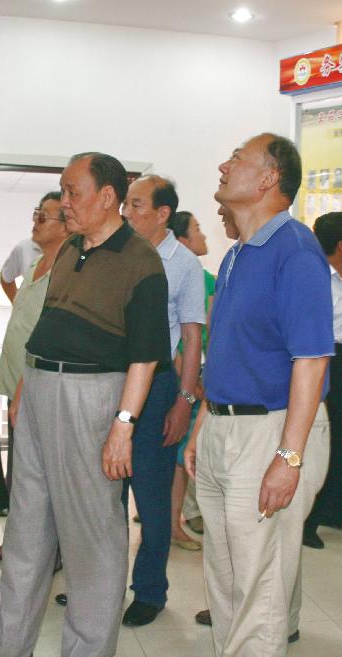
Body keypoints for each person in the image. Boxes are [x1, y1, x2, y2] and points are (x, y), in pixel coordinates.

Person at [0, 152, 169, 657]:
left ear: (107, 197)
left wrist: (123, 425)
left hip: (93, 396)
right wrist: (25, 389)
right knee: (25, 532)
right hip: (40, 391)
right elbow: (47, 324)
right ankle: (7, 647)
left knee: (92, 541)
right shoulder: (68, 249)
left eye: (72, 192)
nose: (64, 202)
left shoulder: (141, 261)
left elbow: (146, 357)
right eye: (62, 192)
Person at [184, 133, 332, 657]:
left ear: (269, 178)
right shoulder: (237, 255)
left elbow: (311, 359)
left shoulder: (295, 250)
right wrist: (202, 428)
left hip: (271, 430)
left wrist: (289, 458)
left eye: (237, 159)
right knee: (226, 580)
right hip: (225, 426)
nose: (224, 166)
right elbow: (229, 355)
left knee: (261, 588)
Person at [119, 175, 206, 626]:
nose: (126, 212)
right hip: (112, 384)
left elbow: (191, 337)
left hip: (157, 391)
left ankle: (150, 591)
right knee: (105, 495)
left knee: (151, 498)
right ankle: (101, 587)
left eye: (136, 204)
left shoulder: (184, 265)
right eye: (126, 203)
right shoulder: (117, 253)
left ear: (162, 213)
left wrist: (184, 401)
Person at [0, 191, 67, 563]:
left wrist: (23, 388)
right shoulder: (35, 267)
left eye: (44, 216)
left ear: (66, 226)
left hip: (38, 388)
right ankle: (19, 544)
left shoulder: (66, 274)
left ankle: (51, 552)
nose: (35, 220)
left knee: (43, 475)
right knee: (20, 471)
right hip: (20, 384)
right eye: (36, 213)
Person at [304, 211, 342, 550]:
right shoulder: (318, 279)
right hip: (331, 362)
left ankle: (333, 507)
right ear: (341, 244)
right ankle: (308, 520)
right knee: (325, 441)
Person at [168, 209, 213, 543]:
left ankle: (174, 517)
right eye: (197, 229)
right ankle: (172, 524)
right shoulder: (181, 273)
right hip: (183, 377)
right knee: (177, 456)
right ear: (181, 239)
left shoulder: (208, 277)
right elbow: (178, 335)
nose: (204, 235)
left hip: (197, 375)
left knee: (182, 455)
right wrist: (190, 380)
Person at [0, 226, 42, 303]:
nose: (35, 221)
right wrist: (18, 306)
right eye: (36, 218)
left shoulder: (66, 251)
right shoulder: (25, 247)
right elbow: (6, 277)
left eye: (43, 219)